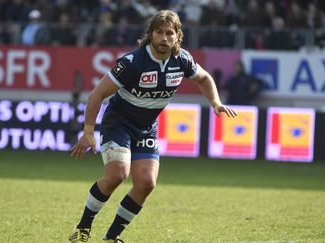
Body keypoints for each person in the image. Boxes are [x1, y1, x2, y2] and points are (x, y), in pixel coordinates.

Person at [69, 10, 237, 243]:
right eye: (159, 32)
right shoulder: (133, 62)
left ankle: (111, 237)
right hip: (118, 122)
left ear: (178, 36)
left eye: (170, 33)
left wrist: (216, 102)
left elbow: (204, 78)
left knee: (146, 183)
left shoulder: (183, 60)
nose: (164, 38)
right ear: (150, 35)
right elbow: (97, 95)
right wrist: (88, 132)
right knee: (117, 174)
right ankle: (82, 229)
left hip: (147, 127)